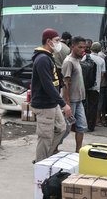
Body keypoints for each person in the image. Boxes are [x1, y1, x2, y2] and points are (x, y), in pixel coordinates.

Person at [31, 28, 72, 162]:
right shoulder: (42, 59)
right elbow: (47, 85)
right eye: (57, 41)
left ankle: (45, 156)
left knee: (61, 128)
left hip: (51, 103)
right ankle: (41, 162)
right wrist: (63, 104)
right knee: (45, 136)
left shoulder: (48, 57)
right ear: (49, 41)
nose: (59, 43)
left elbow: (53, 79)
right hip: (44, 105)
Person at [61, 36, 88, 152]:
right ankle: (53, 148)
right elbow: (65, 84)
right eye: (80, 47)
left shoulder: (77, 60)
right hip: (70, 101)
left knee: (81, 127)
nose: (83, 50)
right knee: (65, 129)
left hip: (79, 100)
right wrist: (66, 105)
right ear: (72, 47)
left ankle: (78, 152)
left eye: (84, 47)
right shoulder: (68, 62)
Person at [83, 41, 105, 131]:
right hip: (96, 86)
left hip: (84, 85)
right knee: (93, 106)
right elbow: (103, 75)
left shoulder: (85, 57)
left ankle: (82, 123)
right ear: (99, 50)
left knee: (84, 104)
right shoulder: (102, 60)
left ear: (91, 48)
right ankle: (91, 125)